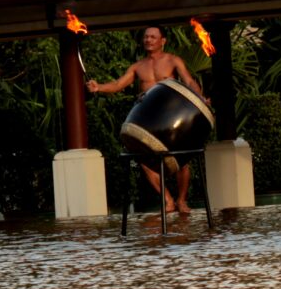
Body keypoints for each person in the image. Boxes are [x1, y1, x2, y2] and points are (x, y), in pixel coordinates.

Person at [87, 25, 204, 213]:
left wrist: (199, 99)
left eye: (152, 37)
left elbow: (189, 82)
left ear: (162, 41)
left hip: (170, 118)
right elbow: (118, 84)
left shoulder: (173, 60)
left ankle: (182, 200)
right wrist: (98, 87)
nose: (148, 40)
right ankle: (168, 200)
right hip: (149, 121)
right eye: (146, 37)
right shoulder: (138, 66)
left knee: (183, 161)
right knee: (144, 161)